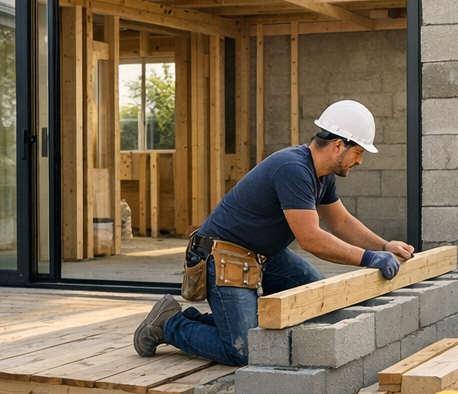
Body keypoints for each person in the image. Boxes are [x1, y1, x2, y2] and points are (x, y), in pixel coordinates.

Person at [133, 100, 414, 365]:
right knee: (245, 350)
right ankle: (169, 325)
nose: (360, 161)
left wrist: (384, 246)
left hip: (263, 254)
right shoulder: (293, 169)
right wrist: (368, 258)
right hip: (223, 255)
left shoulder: (322, 176)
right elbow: (311, 239)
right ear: (339, 145)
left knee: (316, 299)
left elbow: (340, 222)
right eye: (359, 152)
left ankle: (210, 322)